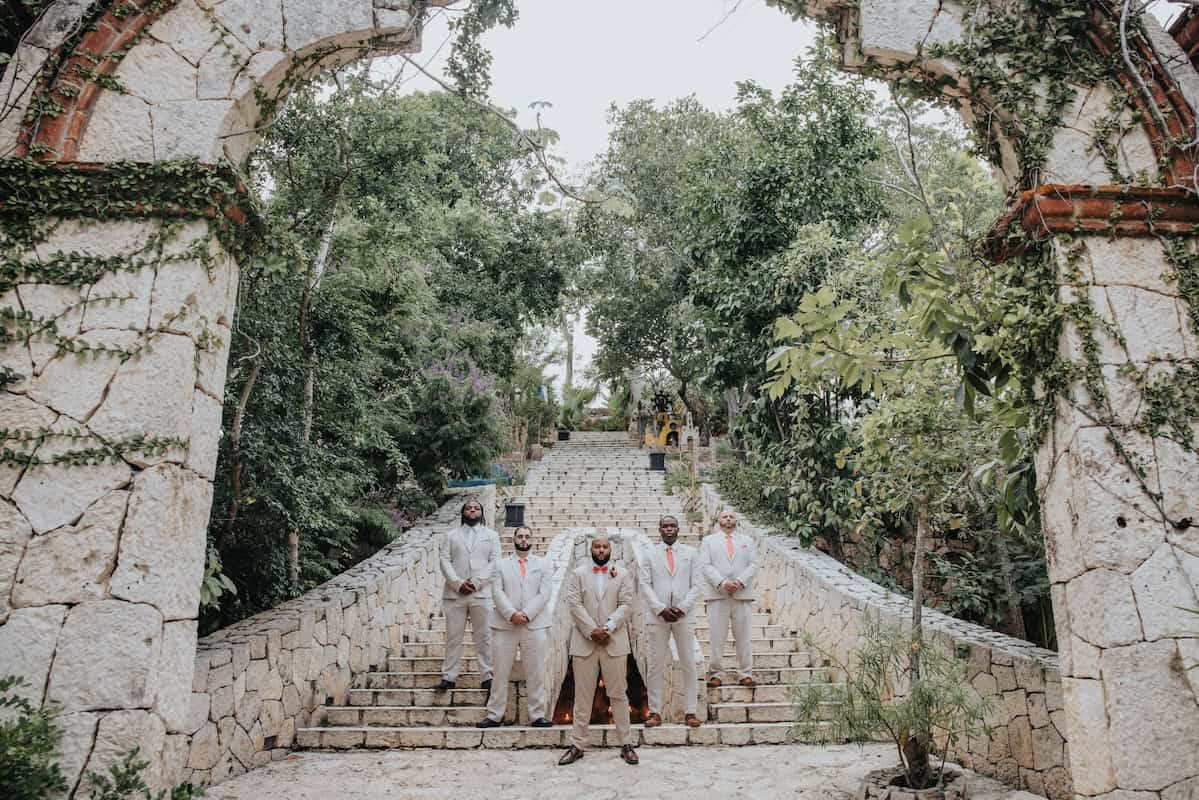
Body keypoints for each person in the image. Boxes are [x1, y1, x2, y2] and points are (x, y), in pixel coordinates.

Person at [558, 535, 639, 766]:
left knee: (619, 694)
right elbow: (574, 604)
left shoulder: (622, 574)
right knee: (582, 697)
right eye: (597, 546)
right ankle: (577, 745)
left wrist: (608, 627)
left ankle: (626, 744)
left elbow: (626, 604)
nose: (601, 550)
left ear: (610, 549)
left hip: (614, 642)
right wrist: (592, 630)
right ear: (590, 549)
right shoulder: (577, 574)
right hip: (585, 643)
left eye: (604, 546)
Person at [479, 526, 553, 728]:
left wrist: (527, 613)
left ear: (532, 540)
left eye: (527, 536)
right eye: (520, 536)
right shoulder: (500, 565)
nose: (523, 539)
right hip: (505, 625)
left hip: (534, 625)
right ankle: (494, 715)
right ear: (514, 539)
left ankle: (537, 715)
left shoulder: (544, 564)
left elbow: (545, 593)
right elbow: (497, 591)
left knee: (536, 672)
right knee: (500, 671)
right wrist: (511, 614)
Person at [639, 515, 702, 728]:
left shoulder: (691, 553)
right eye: (665, 526)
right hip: (658, 616)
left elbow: (697, 584)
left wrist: (683, 607)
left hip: (684, 615)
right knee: (655, 664)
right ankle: (655, 712)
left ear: (678, 529)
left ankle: (690, 711)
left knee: (688, 663)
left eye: (672, 526)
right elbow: (645, 584)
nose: (669, 529)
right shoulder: (649, 554)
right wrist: (660, 609)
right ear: (659, 530)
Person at [437, 498, 500, 692]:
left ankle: (488, 676)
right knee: (453, 637)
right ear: (463, 512)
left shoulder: (492, 535)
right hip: (455, 594)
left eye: (476, 508)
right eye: (469, 508)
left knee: (484, 637)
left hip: (481, 593)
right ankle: (448, 677)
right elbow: (444, 560)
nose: (472, 510)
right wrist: (457, 583)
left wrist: (476, 582)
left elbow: (495, 562)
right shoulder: (451, 535)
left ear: (481, 512)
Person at [699, 508, 758, 688]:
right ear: (719, 520)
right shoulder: (708, 541)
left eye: (731, 516)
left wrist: (739, 581)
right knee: (717, 637)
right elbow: (705, 565)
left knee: (744, 637)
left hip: (742, 595)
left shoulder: (747, 541)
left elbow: (753, 564)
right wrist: (722, 582)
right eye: (725, 516)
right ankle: (716, 673)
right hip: (718, 595)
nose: (728, 519)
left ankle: (746, 674)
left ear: (736, 520)